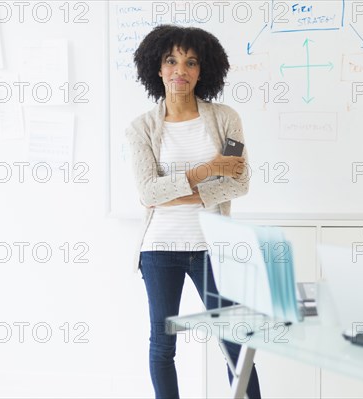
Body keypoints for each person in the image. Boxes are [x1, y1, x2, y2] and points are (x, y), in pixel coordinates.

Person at [125, 25, 261, 398]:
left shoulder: (225, 119)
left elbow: (239, 183)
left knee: (236, 339)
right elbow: (147, 192)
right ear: (158, 67)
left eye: (190, 62)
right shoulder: (141, 128)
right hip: (159, 249)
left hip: (211, 246)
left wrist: (176, 190)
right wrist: (208, 170)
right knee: (162, 342)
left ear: (203, 71)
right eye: (171, 60)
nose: (179, 70)